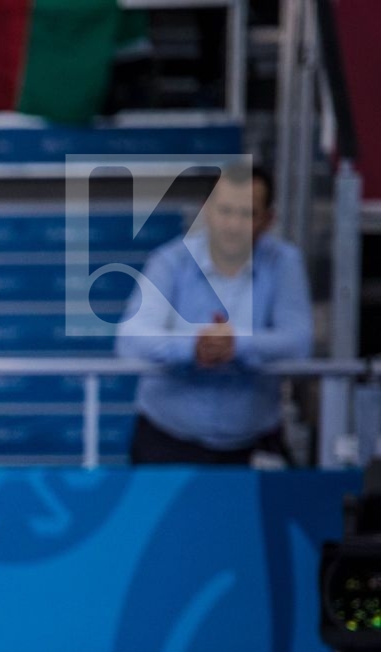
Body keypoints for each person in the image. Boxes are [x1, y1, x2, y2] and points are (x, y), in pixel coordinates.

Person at [116, 163, 313, 465]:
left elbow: (300, 342)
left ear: (268, 219)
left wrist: (237, 344)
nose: (233, 224)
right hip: (165, 441)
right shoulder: (169, 261)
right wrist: (193, 346)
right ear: (206, 210)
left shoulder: (285, 262)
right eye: (225, 211)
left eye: (247, 213)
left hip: (253, 445)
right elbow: (129, 339)